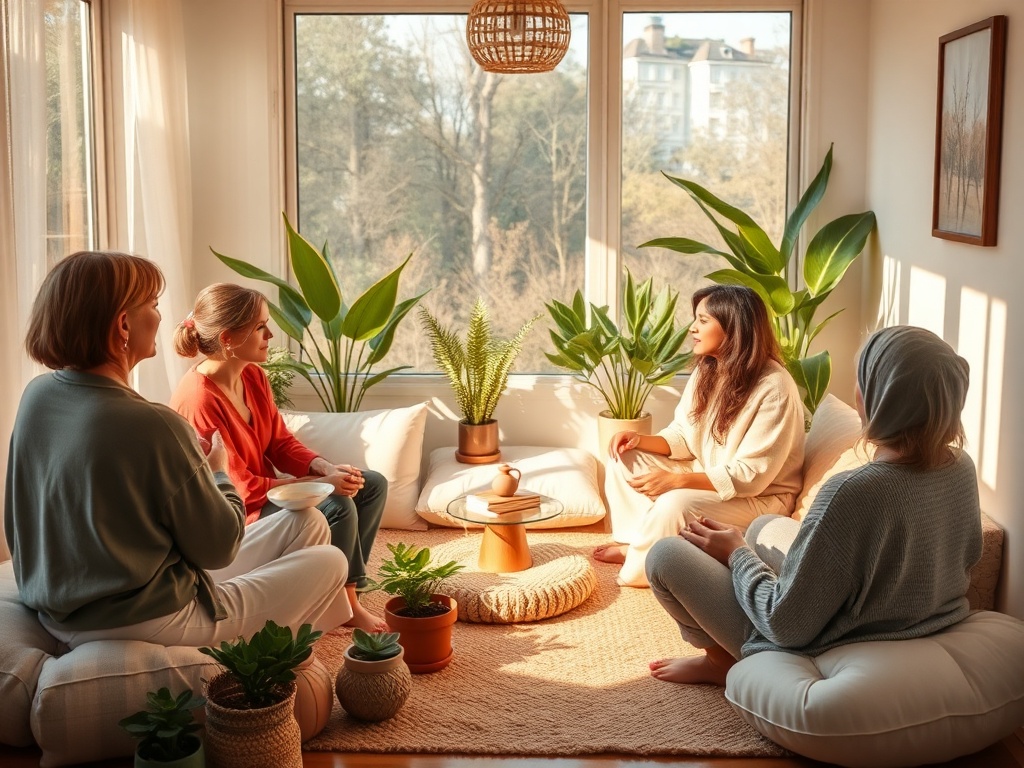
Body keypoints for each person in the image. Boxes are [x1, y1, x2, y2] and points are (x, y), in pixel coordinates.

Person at [4, 251, 351, 649]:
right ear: (122, 326)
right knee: (331, 561)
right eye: (152, 305)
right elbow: (219, 547)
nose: (160, 316)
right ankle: (274, 660)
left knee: (307, 522)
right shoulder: (154, 424)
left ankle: (293, 646)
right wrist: (218, 472)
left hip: (65, 605)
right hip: (145, 618)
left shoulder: (38, 396)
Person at [645, 325, 982, 685]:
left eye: (860, 380)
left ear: (878, 397)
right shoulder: (960, 465)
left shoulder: (851, 490)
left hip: (835, 641)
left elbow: (785, 624)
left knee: (664, 556)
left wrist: (736, 554)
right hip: (911, 615)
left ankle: (720, 661)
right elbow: (968, 555)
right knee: (764, 527)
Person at [170, 283, 388, 632]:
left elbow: (280, 443)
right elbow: (239, 489)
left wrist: (324, 467)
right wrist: (322, 486)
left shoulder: (252, 376)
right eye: (260, 326)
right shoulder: (199, 400)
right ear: (228, 338)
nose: (270, 334)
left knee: (371, 484)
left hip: (262, 494)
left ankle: (348, 589)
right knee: (336, 504)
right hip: (236, 511)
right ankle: (348, 607)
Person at [596, 284, 806, 587]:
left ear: (734, 328)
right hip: (709, 476)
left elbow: (751, 476)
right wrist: (639, 440)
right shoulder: (708, 369)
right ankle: (636, 543)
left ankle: (641, 568)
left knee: (675, 503)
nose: (693, 328)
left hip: (760, 498)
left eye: (703, 321)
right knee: (623, 458)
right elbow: (684, 436)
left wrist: (677, 481)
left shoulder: (774, 387)